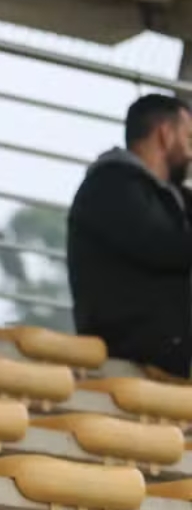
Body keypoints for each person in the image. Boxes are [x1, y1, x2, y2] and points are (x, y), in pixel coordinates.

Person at [68, 94, 192, 376]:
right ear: (165, 134)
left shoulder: (171, 198)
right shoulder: (110, 185)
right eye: (188, 139)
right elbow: (164, 246)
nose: (190, 153)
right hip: (128, 356)